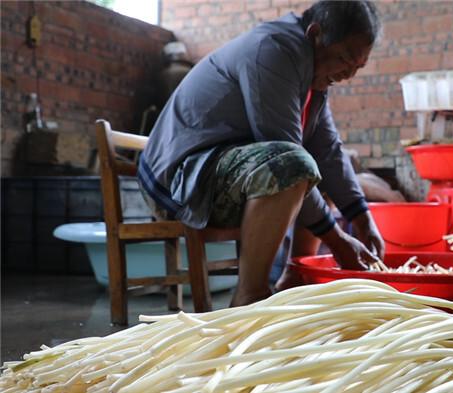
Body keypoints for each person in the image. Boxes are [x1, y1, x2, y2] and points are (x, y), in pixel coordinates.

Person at [138, 1, 385, 307]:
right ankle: (249, 296)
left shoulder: (313, 74)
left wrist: (362, 220)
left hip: (217, 170)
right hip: (180, 179)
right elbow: (289, 161)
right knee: (294, 165)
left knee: (317, 165)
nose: (348, 74)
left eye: (357, 68)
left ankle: (296, 274)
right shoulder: (275, 51)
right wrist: (337, 240)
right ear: (316, 34)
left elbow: (329, 151)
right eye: (345, 59)